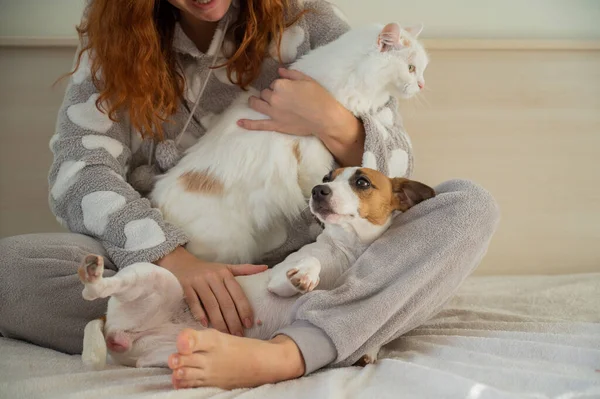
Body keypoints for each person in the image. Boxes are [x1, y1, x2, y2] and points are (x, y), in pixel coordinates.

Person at [0, 0, 499, 390]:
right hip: (169, 268)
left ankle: (286, 353)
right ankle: (338, 328)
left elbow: (394, 173)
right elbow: (78, 171)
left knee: (466, 208)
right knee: (9, 269)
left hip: (314, 268)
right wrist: (173, 260)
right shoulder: (113, 40)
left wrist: (332, 122)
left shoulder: (309, 22)